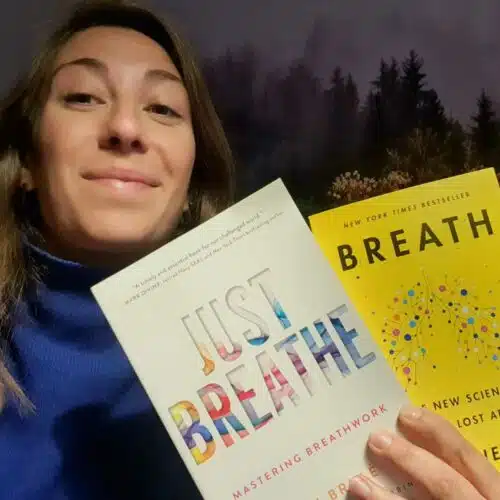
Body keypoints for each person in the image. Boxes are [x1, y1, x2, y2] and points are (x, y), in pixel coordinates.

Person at [0, 1, 497, 499]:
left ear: (192, 179)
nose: (126, 129)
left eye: (162, 108)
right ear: (25, 161)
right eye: (84, 97)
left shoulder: (336, 340)